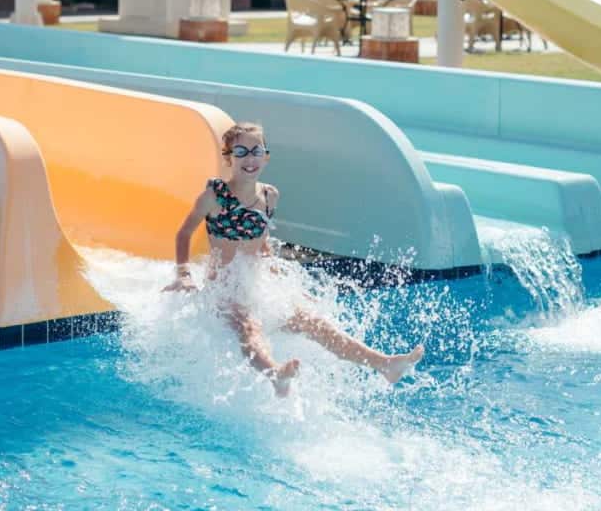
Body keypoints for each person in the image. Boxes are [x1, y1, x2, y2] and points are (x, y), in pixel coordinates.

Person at [163, 122, 424, 397]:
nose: (250, 158)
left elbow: (260, 242)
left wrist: (286, 282)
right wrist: (183, 273)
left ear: (266, 156)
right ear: (228, 158)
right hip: (224, 289)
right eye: (241, 151)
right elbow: (184, 233)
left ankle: (385, 364)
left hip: (254, 282)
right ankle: (275, 374)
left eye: (256, 150)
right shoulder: (213, 196)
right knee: (249, 326)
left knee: (314, 323)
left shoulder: (269, 196)